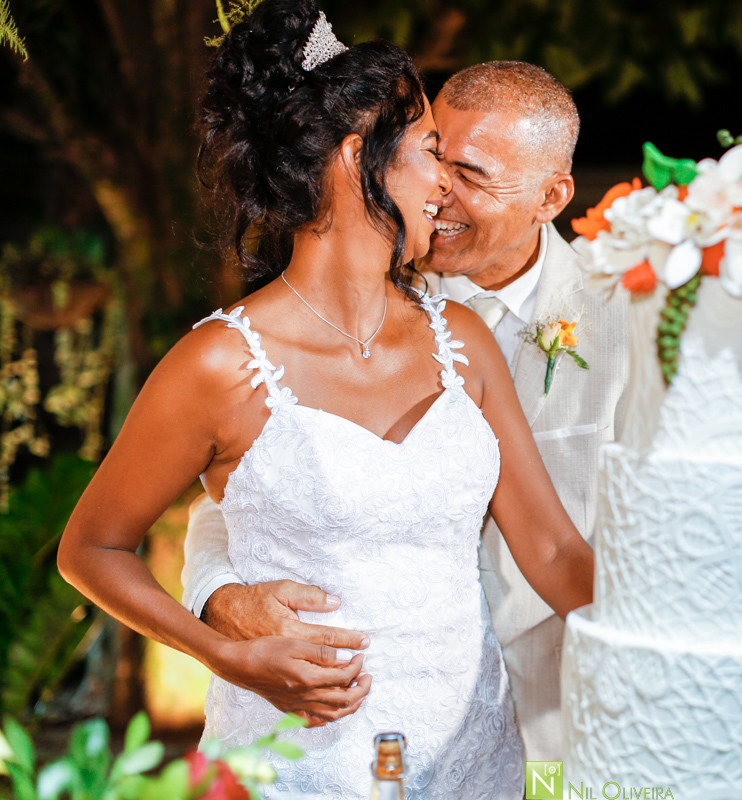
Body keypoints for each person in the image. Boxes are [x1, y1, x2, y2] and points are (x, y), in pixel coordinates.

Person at [58, 5, 595, 797]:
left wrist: (700, 640)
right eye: (430, 152)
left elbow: (552, 554)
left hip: (474, 758)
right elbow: (92, 550)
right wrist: (226, 654)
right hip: (297, 767)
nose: (445, 183)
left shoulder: (465, 345)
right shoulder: (218, 363)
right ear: (357, 160)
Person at [180, 60, 628, 761]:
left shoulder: (633, 324)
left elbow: (566, 548)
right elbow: (246, 491)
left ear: (552, 196)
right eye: (432, 154)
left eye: (471, 175)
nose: (442, 188)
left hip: (561, 722)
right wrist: (219, 598)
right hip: (331, 715)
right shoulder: (334, 297)